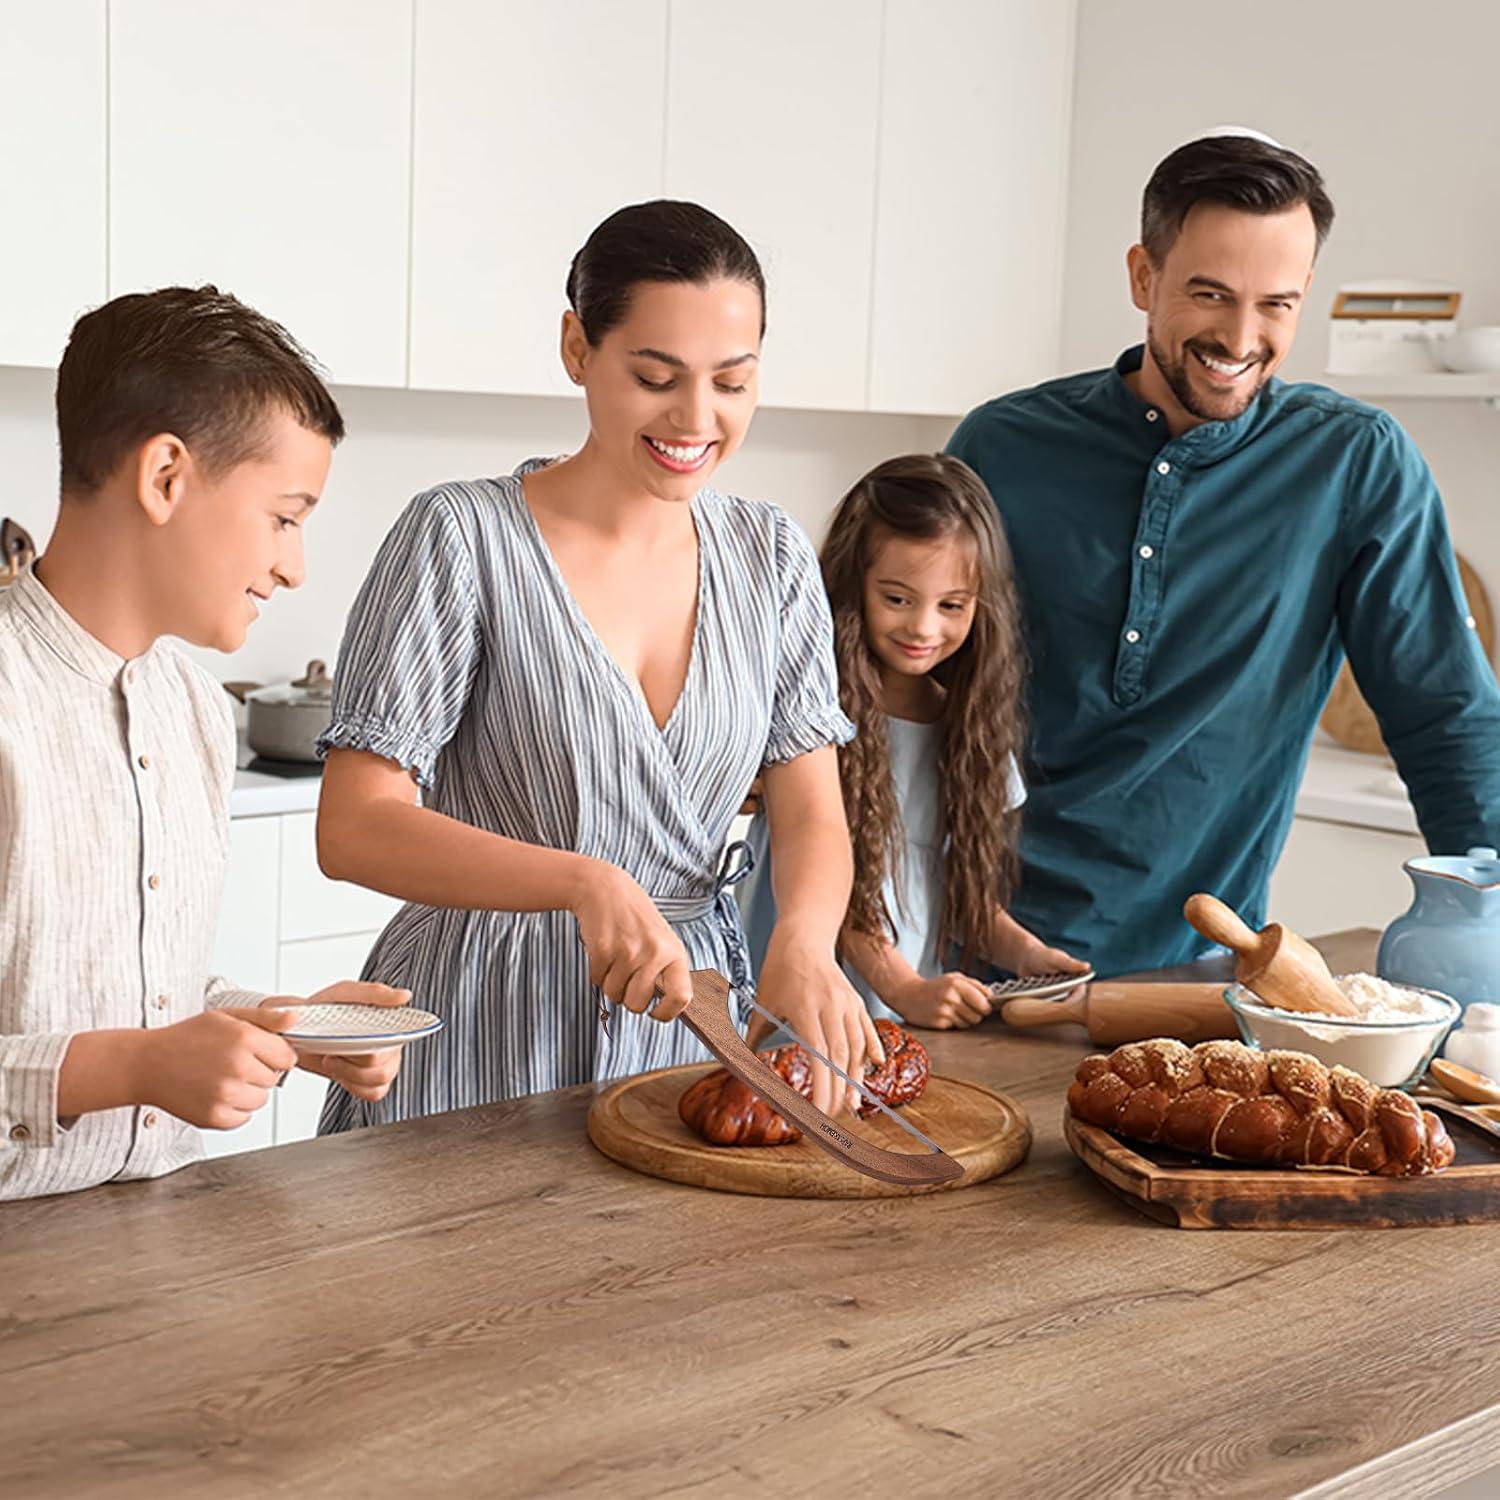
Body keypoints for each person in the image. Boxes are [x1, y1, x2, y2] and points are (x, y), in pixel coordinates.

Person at [314, 200, 881, 1128]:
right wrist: (583, 881)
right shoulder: (461, 536)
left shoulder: (770, 556)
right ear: (578, 347)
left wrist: (806, 944)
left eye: (732, 383)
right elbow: (354, 825)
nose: (697, 419)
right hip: (476, 1019)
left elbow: (813, 805)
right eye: (655, 376)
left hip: (683, 1025)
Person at [946, 129, 1500, 974]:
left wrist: (1487, 934)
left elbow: (1447, 716)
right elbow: (909, 696)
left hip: (1196, 974)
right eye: (1210, 294)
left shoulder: (1354, 464)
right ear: (1143, 276)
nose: (1241, 337)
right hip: (969, 955)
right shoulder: (1002, 446)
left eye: (1276, 303)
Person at [0, 286, 409, 1201]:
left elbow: (147, 996)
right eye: (286, 516)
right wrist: (134, 1071)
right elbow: (135, 1052)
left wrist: (282, 1025)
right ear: (166, 478)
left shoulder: (190, 708)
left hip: (162, 1231)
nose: (295, 566)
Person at [738, 454, 1087, 1029]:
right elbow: (828, 887)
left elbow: (953, 894)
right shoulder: (812, 720)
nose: (924, 627)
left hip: (897, 1021)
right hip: (787, 1009)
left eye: (951, 606)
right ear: (853, 587)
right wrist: (903, 987)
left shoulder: (968, 733)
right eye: (897, 598)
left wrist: (1029, 956)